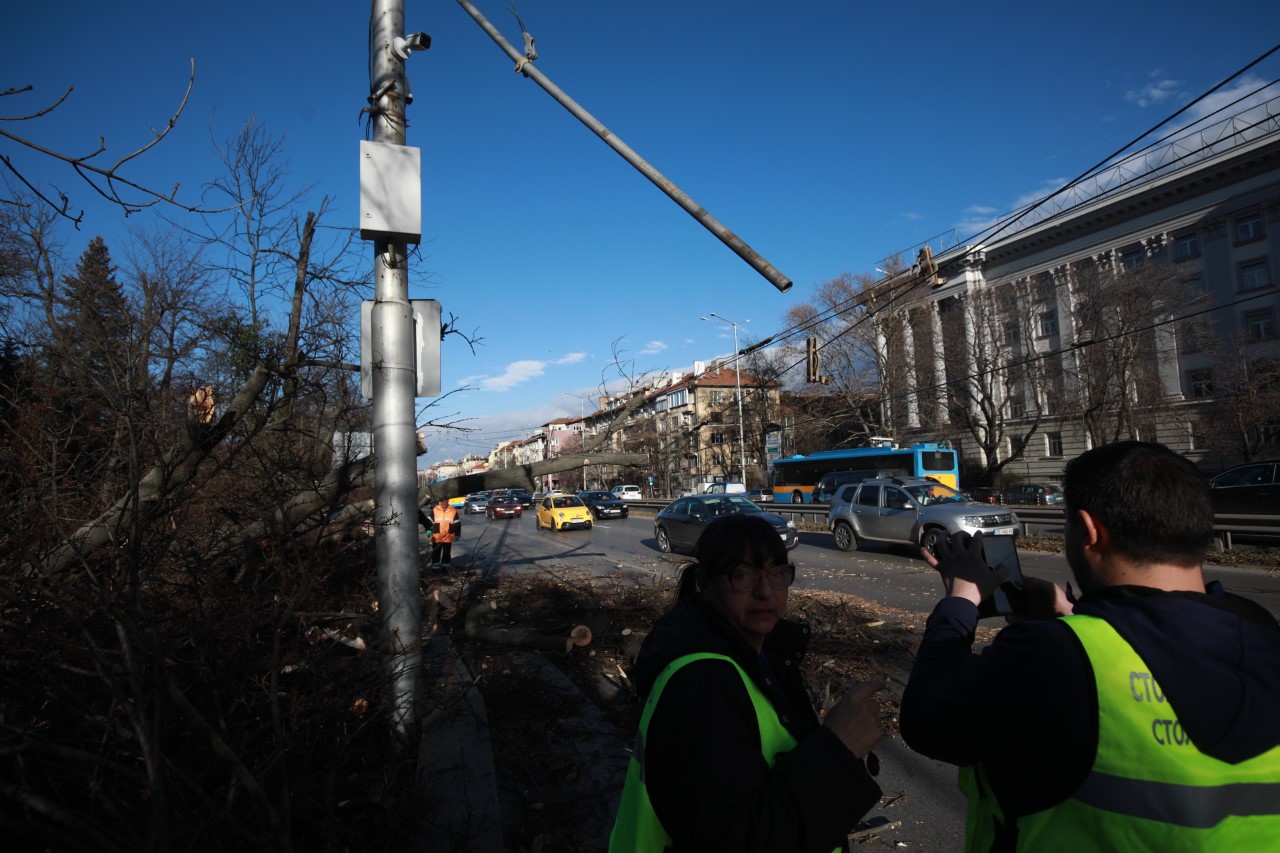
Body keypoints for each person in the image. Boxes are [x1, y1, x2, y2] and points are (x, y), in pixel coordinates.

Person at [900, 441, 1280, 850]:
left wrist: (961, 599)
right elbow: (1162, 642)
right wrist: (1071, 617)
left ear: (1090, 530)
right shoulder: (1260, 631)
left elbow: (926, 720)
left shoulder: (1049, 657)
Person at [609, 513, 884, 852]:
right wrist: (837, 750)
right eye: (743, 575)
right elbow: (737, 837)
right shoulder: (701, 685)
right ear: (705, 585)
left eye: (777, 572)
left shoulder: (761, 657)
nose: (765, 591)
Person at [419, 498, 460, 570]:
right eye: (443, 502)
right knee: (436, 553)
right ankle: (435, 568)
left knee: (446, 553)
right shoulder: (435, 510)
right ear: (440, 502)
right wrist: (428, 530)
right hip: (437, 536)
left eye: (446, 502)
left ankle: (445, 568)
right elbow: (428, 522)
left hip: (448, 536)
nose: (444, 504)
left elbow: (457, 523)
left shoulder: (453, 510)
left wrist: (457, 534)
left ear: (448, 502)